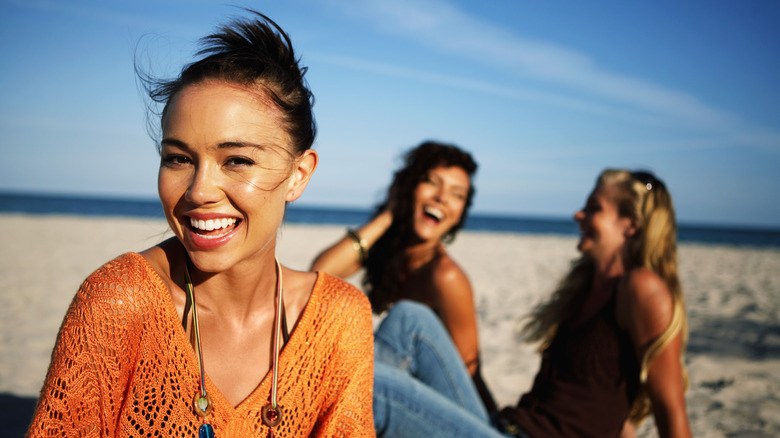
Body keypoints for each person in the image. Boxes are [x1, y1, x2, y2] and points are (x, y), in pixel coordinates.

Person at [27, 11, 374, 437]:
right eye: (178, 158)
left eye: (237, 160)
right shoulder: (121, 303)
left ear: (299, 174)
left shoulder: (337, 320)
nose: (198, 191)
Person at [372, 169, 692, 438]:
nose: (577, 215)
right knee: (409, 317)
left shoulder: (642, 288)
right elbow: (600, 402)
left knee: (377, 388)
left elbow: (671, 408)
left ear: (630, 224)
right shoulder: (587, 287)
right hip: (504, 427)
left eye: (594, 208)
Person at [310, 141, 497, 411]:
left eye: (457, 194)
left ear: (460, 215)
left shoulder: (446, 277)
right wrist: (389, 214)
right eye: (432, 182)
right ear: (409, 187)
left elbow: (467, 377)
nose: (442, 197)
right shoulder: (391, 255)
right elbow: (320, 274)